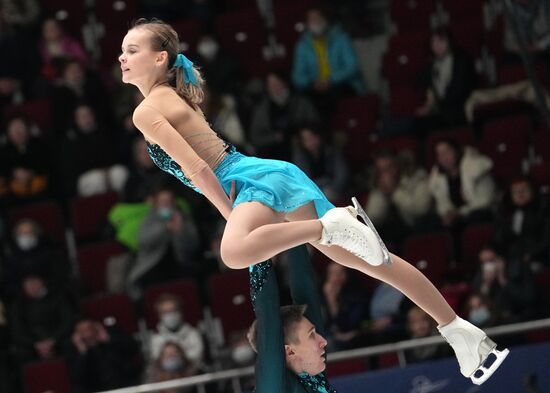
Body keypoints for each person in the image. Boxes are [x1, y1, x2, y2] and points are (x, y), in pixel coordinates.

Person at [120, 18, 508, 385]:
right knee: (371, 260)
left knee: (236, 253)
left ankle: (330, 224)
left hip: (248, 180)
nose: (122, 57)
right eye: (122, 50)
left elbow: (201, 171)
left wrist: (232, 214)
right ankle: (460, 331)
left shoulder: (147, 110)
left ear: (160, 58)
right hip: (263, 173)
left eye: (132, 49)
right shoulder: (168, 96)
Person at [247, 245, 335, 392]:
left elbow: (306, 289)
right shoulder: (273, 388)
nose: (323, 341)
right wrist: (254, 239)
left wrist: (294, 228)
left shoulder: (312, 377)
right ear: (289, 352)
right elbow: (267, 312)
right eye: (312, 335)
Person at [415, 28, 476, 131]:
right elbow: (425, 86)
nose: (437, 45)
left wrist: (437, 106)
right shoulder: (430, 66)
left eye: (441, 41)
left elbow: (459, 91)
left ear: (449, 42)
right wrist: (429, 105)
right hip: (441, 111)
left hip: (459, 108)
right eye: (434, 42)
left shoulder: (461, 60)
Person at [67, 318, 141, 393]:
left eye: (89, 329)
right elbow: (77, 379)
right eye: (82, 332)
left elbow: (134, 349)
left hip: (124, 386)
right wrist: (82, 352)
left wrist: (107, 339)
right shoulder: (74, 352)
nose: (88, 334)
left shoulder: (111, 338)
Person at [493, 177, 550, 268]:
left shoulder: (543, 209)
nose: (520, 194)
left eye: (524, 190)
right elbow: (499, 238)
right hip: (510, 257)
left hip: (536, 256)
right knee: (489, 267)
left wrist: (531, 254)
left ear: (532, 191)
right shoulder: (505, 212)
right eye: (515, 191)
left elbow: (546, 239)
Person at [292, 126, 348, 201]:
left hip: (333, 189)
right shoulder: (300, 156)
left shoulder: (331, 151)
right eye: (306, 139)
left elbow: (342, 175)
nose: (310, 141)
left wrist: (333, 189)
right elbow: (303, 180)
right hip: (312, 192)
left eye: (312, 137)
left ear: (318, 136)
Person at [148, 293, 204, 368]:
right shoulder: (156, 339)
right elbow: (157, 362)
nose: (170, 315)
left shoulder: (193, 334)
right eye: (165, 312)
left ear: (180, 312)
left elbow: (197, 359)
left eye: (172, 310)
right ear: (159, 315)